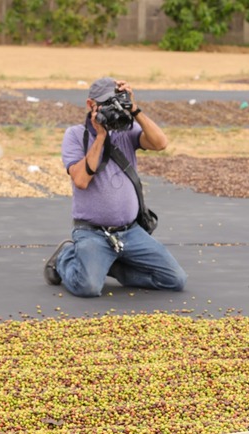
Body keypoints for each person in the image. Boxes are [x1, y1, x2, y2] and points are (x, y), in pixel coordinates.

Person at [43, 76, 187, 297]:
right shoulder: (74, 135)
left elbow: (161, 143)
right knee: (88, 288)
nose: (113, 109)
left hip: (131, 232)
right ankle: (66, 256)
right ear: (91, 105)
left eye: (116, 102)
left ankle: (108, 266)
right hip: (92, 233)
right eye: (106, 104)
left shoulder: (126, 131)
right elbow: (81, 180)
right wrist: (100, 136)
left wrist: (135, 109)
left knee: (174, 279)